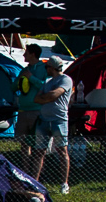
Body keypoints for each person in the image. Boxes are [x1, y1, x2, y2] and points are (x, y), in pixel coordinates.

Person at [31, 54, 74, 194]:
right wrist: (47, 98)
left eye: (47, 67)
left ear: (52, 67)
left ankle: (64, 183)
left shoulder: (66, 80)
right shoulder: (47, 81)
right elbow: (36, 99)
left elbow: (54, 95)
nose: (46, 69)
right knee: (39, 152)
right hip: (43, 120)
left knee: (62, 151)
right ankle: (35, 182)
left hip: (58, 120)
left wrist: (46, 97)